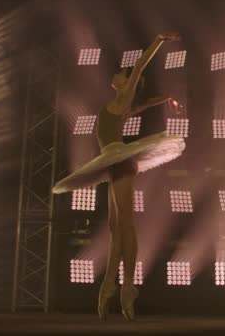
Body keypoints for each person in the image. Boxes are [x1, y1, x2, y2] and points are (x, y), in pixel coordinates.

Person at [52, 32, 184, 321]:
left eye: (121, 73)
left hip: (120, 161)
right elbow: (146, 103)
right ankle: (110, 284)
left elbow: (139, 66)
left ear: (125, 82)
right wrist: (167, 98)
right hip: (113, 163)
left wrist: (159, 40)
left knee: (125, 224)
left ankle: (125, 287)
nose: (116, 73)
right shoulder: (124, 104)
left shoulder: (125, 95)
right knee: (115, 226)